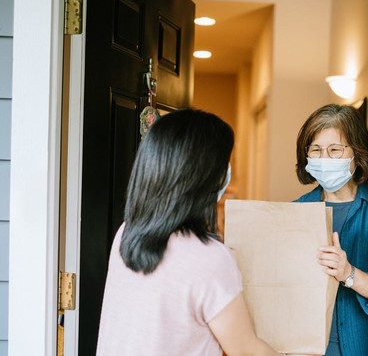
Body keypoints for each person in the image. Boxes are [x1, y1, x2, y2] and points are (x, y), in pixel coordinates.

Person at [96, 108, 282, 356]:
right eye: (224, 164)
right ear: (202, 176)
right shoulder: (209, 258)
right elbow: (246, 350)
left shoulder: (127, 232)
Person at [294, 104, 368, 356]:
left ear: (357, 153)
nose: (324, 158)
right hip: (306, 347)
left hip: (362, 347)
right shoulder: (297, 210)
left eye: (335, 150)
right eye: (316, 150)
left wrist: (347, 273)